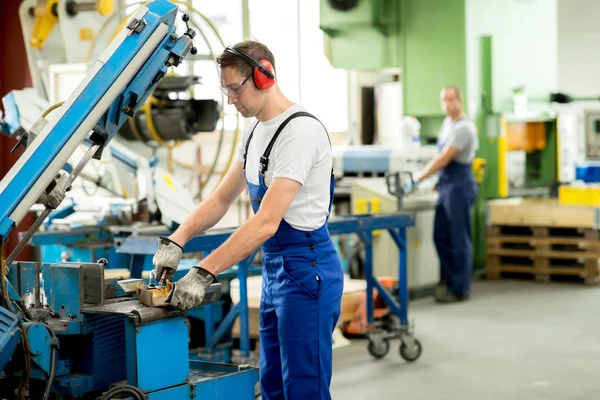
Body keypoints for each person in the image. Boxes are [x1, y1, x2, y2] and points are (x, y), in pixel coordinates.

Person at [151, 40, 344, 400]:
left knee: (304, 387)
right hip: (274, 268)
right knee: (272, 383)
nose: (230, 100)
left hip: (306, 268)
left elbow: (266, 222)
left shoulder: (299, 132)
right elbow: (222, 198)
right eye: (225, 91)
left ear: (265, 74)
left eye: (235, 89)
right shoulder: (254, 129)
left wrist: (203, 271)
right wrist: (177, 239)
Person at [411, 86, 478, 303]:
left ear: (459, 101)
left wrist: (418, 177)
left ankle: (460, 288)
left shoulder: (464, 128)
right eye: (444, 100)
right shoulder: (447, 125)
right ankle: (449, 281)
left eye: (451, 99)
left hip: (460, 185)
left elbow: (444, 159)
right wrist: (435, 182)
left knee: (459, 239)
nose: (447, 104)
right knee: (440, 236)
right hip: (446, 185)